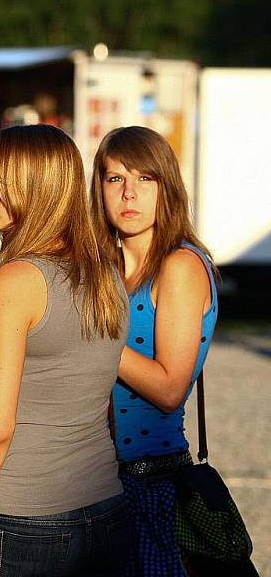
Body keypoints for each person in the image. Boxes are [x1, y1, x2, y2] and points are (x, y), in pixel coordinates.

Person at [0, 124, 131, 576]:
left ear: (34, 189)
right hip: (104, 504)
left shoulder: (14, 281)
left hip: (23, 518)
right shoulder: (106, 272)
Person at [90, 126, 219, 575]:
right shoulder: (103, 269)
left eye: (145, 179)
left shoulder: (179, 265)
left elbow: (168, 388)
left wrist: (92, 337)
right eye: (115, 179)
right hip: (91, 482)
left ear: (168, 187)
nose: (129, 194)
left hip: (152, 482)